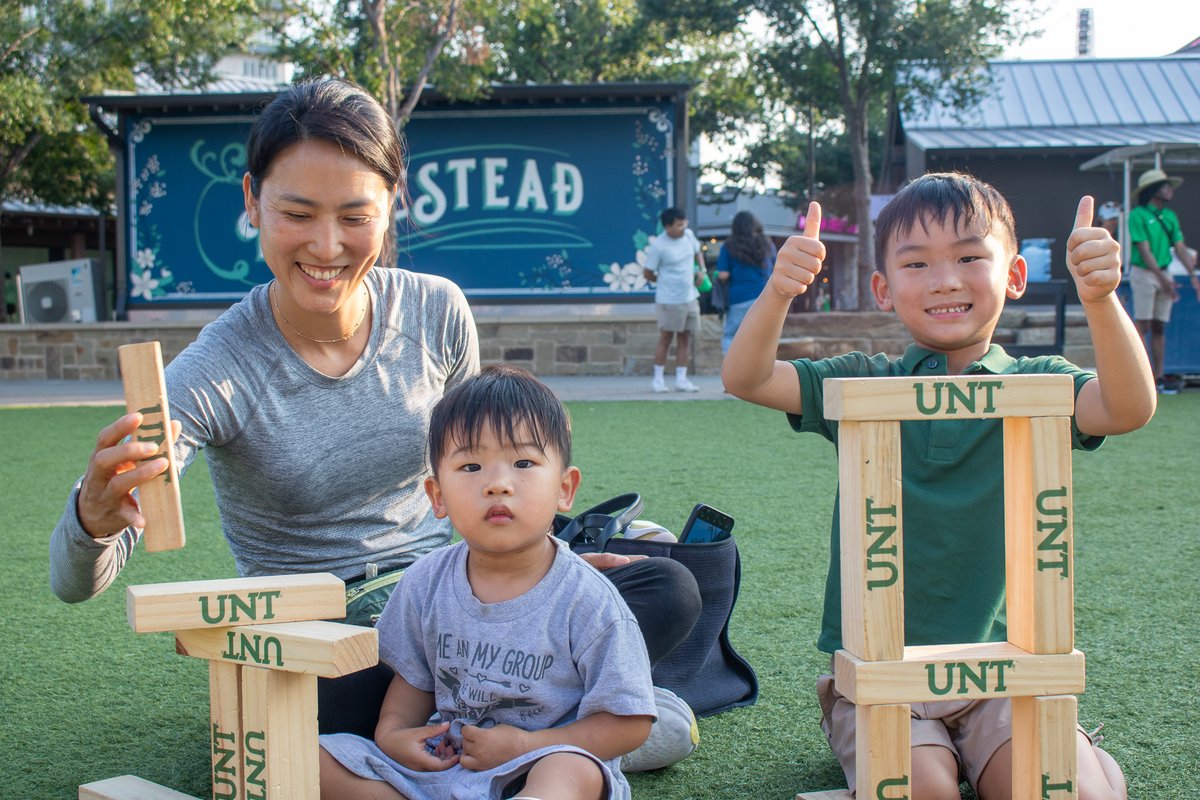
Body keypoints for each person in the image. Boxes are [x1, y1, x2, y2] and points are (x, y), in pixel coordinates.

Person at [47, 78, 701, 758]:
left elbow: (479, 470)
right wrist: (94, 518)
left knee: (667, 585)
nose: (326, 247)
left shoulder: (436, 311)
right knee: (308, 709)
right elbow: (75, 584)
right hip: (322, 631)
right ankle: (561, 728)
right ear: (251, 201)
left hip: (451, 594)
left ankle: (487, 734)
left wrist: (542, 568)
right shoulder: (213, 371)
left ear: (392, 205)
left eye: (355, 216)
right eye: (297, 214)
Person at [723, 172, 1154, 800]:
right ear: (884, 288)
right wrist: (780, 291)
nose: (946, 279)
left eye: (970, 257)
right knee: (924, 791)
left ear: (1014, 276)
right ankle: (862, 731)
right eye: (916, 263)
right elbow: (748, 377)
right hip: (884, 670)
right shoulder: (865, 379)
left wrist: (1101, 298)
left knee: (1067, 792)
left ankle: (1087, 761)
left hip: (1003, 670)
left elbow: (1126, 408)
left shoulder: (1038, 378)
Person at [319, 365, 656, 800]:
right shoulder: (426, 580)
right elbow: (412, 679)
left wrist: (526, 745)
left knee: (573, 771)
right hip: (446, 766)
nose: (498, 484)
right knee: (315, 758)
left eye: (523, 462)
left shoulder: (587, 599)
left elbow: (629, 723)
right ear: (437, 496)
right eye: (471, 465)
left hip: (534, 765)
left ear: (564, 489)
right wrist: (394, 734)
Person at [1127, 168, 1200, 394]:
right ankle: (1138, 376)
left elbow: (1179, 247)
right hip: (1145, 273)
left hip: (1164, 274)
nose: (1170, 189)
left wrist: (1192, 276)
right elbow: (1144, 251)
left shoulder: (1170, 216)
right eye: (1165, 185)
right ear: (1153, 190)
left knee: (1159, 326)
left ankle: (1157, 377)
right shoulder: (1137, 215)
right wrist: (1163, 279)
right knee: (1143, 324)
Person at [642, 207, 705, 393]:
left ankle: (682, 379)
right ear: (668, 226)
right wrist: (664, 282)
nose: (683, 227)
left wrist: (701, 270)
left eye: (684, 223)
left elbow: (697, 252)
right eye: (679, 224)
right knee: (666, 337)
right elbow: (647, 272)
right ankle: (658, 380)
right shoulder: (659, 245)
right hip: (668, 299)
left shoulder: (689, 235)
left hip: (690, 296)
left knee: (686, 337)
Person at [716, 210, 775, 355]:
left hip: (739, 297)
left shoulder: (729, 245)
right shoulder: (766, 243)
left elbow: (723, 275)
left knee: (731, 334)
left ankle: (732, 371)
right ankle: (758, 372)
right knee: (761, 336)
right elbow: (774, 269)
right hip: (763, 296)